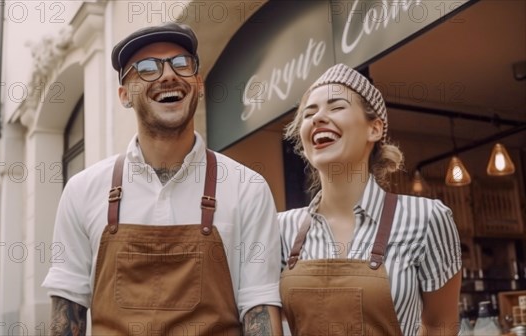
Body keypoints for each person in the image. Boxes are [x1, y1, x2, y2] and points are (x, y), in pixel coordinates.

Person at [42, 22, 283, 335]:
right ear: (124, 95)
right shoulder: (82, 190)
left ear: (199, 83)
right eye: (146, 68)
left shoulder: (247, 188)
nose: (168, 75)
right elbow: (66, 314)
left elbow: (259, 309)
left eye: (181, 63)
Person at [278, 63, 462, 335]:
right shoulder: (282, 229)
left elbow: (440, 325)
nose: (318, 118)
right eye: (309, 114)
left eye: (336, 107)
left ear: (374, 129)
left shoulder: (426, 218)